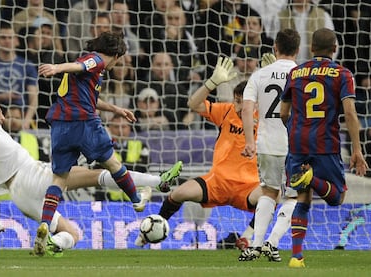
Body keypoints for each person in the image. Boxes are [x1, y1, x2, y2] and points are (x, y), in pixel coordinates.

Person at [0, 44, 182, 257]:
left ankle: (51, 241)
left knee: (72, 234)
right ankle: (157, 182)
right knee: (99, 173)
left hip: (19, 197)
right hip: (32, 175)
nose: (3, 117)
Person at [35, 31, 152, 256]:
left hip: (60, 124)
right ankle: (137, 200)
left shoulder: (93, 73)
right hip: (84, 123)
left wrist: (117, 109)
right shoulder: (95, 60)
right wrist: (57, 68)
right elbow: (80, 65)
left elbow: (92, 98)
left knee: (59, 178)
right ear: (116, 55)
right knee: (113, 164)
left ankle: (45, 224)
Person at [134, 57, 264, 247]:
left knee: (272, 196)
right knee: (178, 193)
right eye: (236, 101)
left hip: (247, 186)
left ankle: (248, 237)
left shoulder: (266, 119)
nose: (237, 107)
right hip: (218, 182)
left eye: (242, 103)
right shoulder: (226, 111)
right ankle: (150, 233)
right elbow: (193, 104)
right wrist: (212, 82)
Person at [279, 28, 369, 268]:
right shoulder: (342, 74)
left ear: (311, 48)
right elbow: (349, 112)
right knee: (337, 197)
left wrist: (296, 131)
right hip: (325, 143)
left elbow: (284, 112)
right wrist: (358, 150)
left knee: (302, 198)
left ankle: (296, 257)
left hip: (298, 142)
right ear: (335, 48)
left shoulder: (296, 72)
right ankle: (313, 179)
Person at [239, 28, 301, 262]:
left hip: (266, 143)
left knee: (268, 191)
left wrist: (248, 142)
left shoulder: (259, 74)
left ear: (275, 48)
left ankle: (255, 245)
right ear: (297, 50)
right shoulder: (301, 74)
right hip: (294, 145)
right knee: (294, 197)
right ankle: (271, 243)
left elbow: (246, 108)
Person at [0, 22, 38, 130]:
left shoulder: (27, 65)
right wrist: (3, 96)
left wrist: (27, 120)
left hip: (20, 117)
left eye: (10, 38)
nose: (7, 41)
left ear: (16, 41)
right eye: (3, 37)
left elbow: (33, 97)